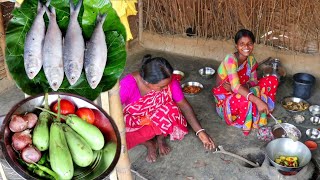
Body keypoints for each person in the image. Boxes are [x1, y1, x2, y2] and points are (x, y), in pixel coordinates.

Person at [120, 55, 216, 163]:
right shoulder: (128, 84)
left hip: (157, 117)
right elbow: (113, 110)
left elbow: (183, 105)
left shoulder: (169, 80)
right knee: (120, 138)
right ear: (147, 82)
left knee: (171, 110)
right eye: (161, 87)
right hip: (135, 119)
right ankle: (148, 143)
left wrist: (200, 132)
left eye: (167, 84)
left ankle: (160, 139)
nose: (166, 88)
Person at [212, 29, 279, 136]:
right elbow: (234, 88)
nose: (246, 47)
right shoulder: (230, 59)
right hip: (226, 100)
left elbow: (254, 81)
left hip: (242, 90)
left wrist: (243, 87)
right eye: (242, 44)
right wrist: (256, 100)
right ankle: (256, 109)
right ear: (236, 45)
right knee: (245, 98)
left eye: (249, 44)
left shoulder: (251, 60)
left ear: (253, 45)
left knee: (272, 80)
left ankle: (263, 109)